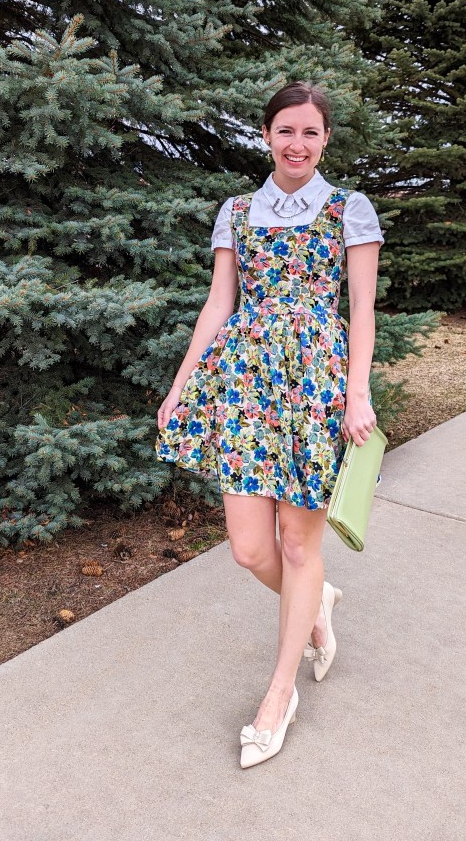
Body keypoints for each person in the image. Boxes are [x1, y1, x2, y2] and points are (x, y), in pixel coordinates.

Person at [155, 82, 383, 768]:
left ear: (325, 140)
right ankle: (317, 603)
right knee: (249, 550)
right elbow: (218, 304)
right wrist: (180, 385)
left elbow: (362, 312)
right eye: (286, 131)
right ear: (265, 135)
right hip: (247, 386)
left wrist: (357, 392)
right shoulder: (236, 211)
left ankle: (279, 692)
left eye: (310, 133)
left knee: (294, 545)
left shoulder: (349, 210)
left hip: (314, 386)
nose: (297, 144)